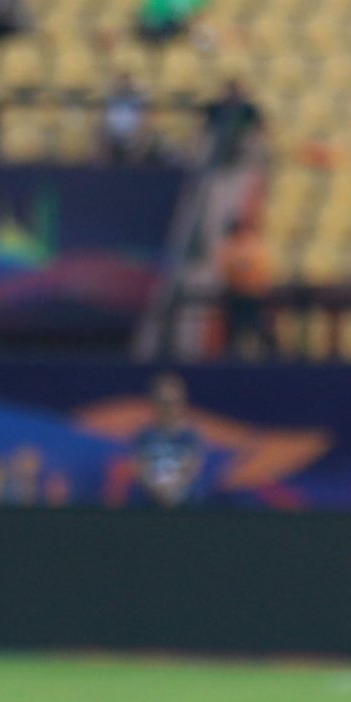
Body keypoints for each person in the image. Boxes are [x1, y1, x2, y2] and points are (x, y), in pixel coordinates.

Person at [123, 372, 206, 507]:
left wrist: (173, 489)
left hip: (184, 503)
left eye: (173, 403)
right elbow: (139, 467)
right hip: (148, 500)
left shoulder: (190, 436)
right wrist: (156, 489)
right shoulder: (143, 435)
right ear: (154, 403)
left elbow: (191, 469)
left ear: (182, 403)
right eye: (163, 403)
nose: (168, 409)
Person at [216, 216, 276, 357]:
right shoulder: (230, 247)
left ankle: (269, 354)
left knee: (259, 328)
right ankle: (231, 356)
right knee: (234, 331)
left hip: (254, 297)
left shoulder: (256, 246)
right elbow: (226, 269)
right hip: (236, 297)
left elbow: (262, 271)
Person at [200, 77, 263, 170]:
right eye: (230, 91)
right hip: (218, 150)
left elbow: (258, 130)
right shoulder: (216, 108)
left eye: (235, 92)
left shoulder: (248, 111)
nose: (232, 95)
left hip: (241, 151)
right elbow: (206, 130)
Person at [98, 72, 151, 164]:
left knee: (144, 133)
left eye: (126, 83)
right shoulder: (111, 101)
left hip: (133, 137)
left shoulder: (137, 101)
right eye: (121, 83)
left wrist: (139, 137)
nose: (123, 86)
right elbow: (104, 121)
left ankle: (135, 164)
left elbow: (144, 121)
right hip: (113, 137)